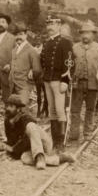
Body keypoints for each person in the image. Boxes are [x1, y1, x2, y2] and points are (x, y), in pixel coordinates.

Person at [3, 95, 73, 170]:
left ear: (18, 109)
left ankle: (40, 156)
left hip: (43, 143)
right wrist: (4, 146)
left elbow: (27, 139)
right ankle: (61, 158)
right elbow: (12, 142)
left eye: (11, 106)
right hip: (31, 148)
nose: (8, 108)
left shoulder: (26, 118)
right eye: (7, 106)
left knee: (30, 126)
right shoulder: (7, 122)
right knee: (24, 158)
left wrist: (13, 149)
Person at [40, 14, 74, 153]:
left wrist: (66, 80)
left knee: (60, 111)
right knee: (52, 112)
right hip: (48, 80)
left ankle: (61, 142)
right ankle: (55, 141)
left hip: (59, 80)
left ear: (59, 26)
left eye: (53, 24)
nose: (50, 27)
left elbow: (70, 62)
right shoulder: (47, 43)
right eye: (48, 25)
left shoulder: (65, 42)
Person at [71, 23, 98, 141]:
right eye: (83, 33)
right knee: (75, 110)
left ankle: (87, 133)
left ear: (93, 35)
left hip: (93, 84)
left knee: (90, 109)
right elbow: (69, 65)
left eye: (88, 33)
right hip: (77, 84)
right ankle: (74, 133)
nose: (85, 35)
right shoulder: (74, 48)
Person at [9, 22, 42, 106]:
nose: (18, 37)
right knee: (12, 109)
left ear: (26, 35)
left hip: (24, 86)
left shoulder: (31, 50)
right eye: (16, 35)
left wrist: (29, 80)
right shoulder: (14, 49)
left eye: (21, 34)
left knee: (22, 107)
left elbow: (37, 70)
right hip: (12, 84)